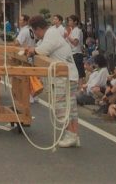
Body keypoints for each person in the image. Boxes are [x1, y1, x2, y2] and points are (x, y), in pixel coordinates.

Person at [27, 15, 81, 148]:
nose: (35, 35)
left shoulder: (51, 34)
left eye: (34, 32)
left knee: (61, 106)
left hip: (64, 76)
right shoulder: (51, 34)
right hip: (69, 75)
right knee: (71, 107)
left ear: (39, 29)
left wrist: (32, 50)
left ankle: (71, 134)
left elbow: (43, 50)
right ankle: (73, 134)